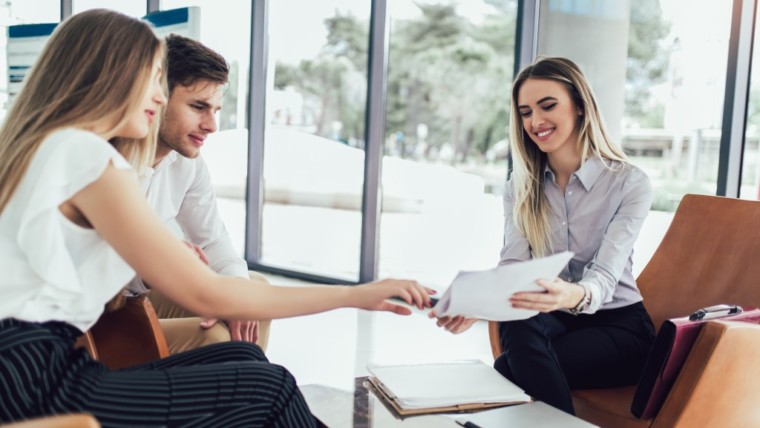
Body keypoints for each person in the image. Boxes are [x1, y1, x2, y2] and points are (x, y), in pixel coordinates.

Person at [0, 9, 431, 427]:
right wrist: (354, 294)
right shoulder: (88, 157)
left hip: (22, 375)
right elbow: (207, 294)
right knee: (270, 387)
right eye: (152, 80)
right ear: (108, 77)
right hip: (40, 385)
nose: (157, 96)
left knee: (241, 356)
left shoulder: (47, 149)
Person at [431, 57, 655, 415]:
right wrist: (479, 303)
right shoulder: (521, 187)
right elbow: (514, 267)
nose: (535, 121)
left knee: (508, 369)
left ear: (580, 106)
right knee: (517, 315)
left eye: (547, 106)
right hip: (555, 320)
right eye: (525, 112)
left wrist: (570, 293)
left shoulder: (629, 183)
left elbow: (606, 278)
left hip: (620, 328)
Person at [127, 34, 266, 354]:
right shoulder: (112, 162)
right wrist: (165, 260)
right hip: (102, 314)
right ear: (156, 97)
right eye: (198, 107)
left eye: (216, 109)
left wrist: (236, 291)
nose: (212, 125)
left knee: (253, 296)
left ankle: (244, 394)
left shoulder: (187, 163)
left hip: (137, 293)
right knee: (216, 339)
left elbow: (212, 239)